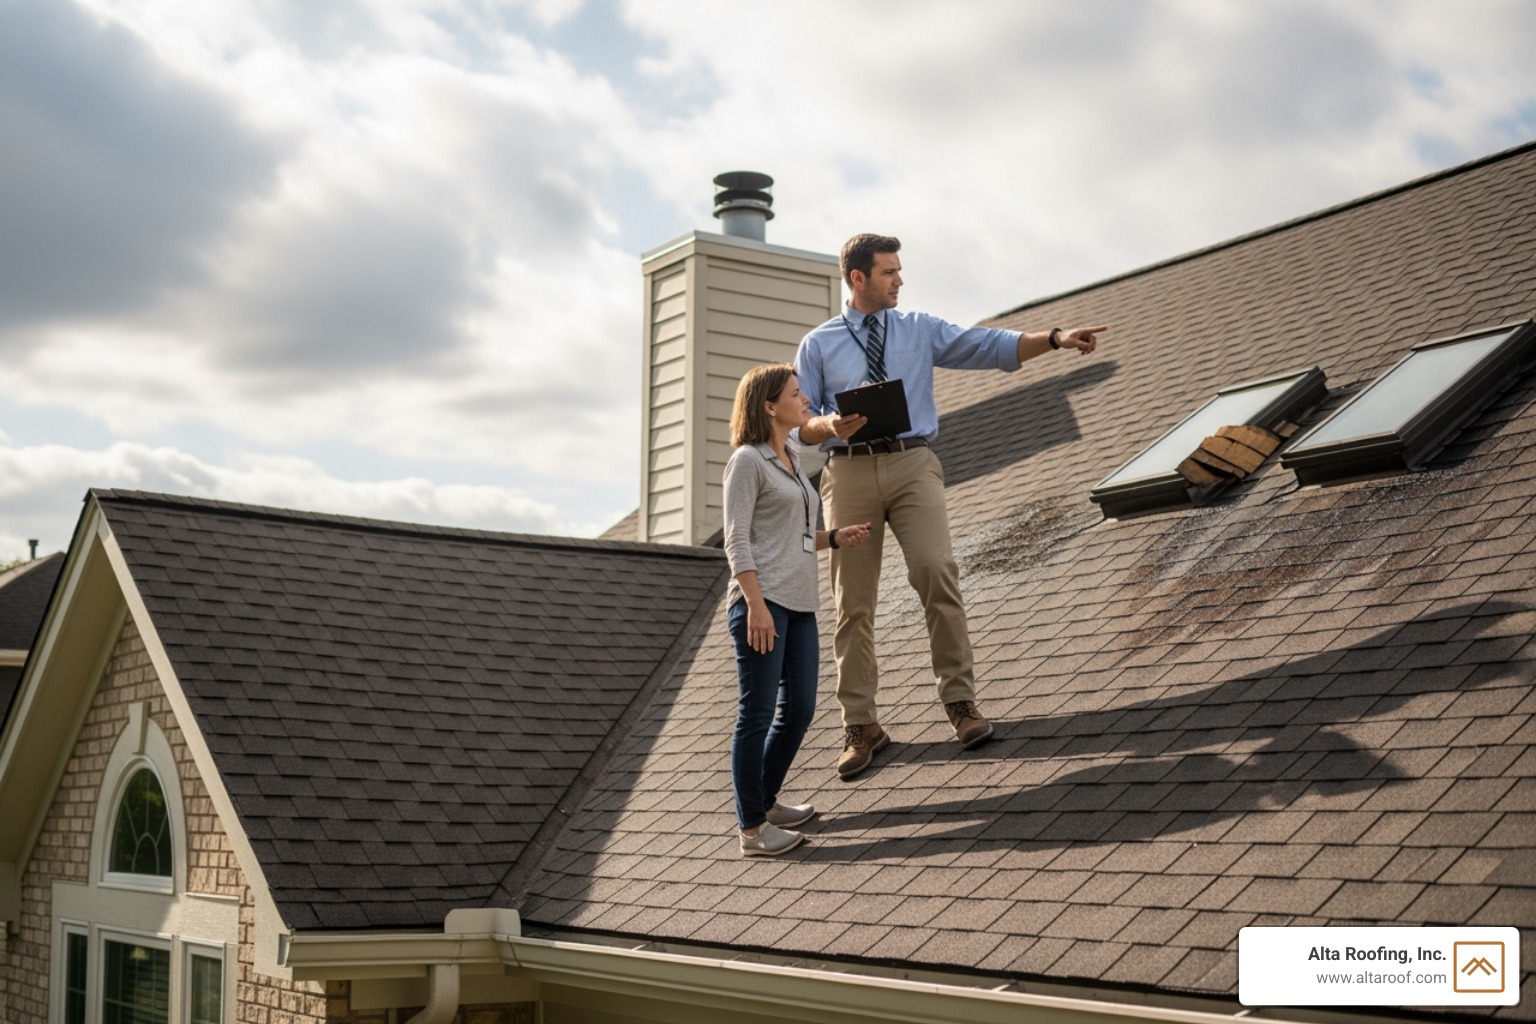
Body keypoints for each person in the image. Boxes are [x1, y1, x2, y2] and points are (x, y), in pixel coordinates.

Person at [794, 233, 1107, 779]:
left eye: (899, 270)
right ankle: (861, 725)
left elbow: (986, 345)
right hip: (848, 472)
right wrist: (828, 425)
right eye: (889, 272)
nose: (900, 280)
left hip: (913, 463)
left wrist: (1055, 339)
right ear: (857, 278)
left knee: (937, 570)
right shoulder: (818, 344)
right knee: (853, 602)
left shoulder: (918, 328)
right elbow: (799, 422)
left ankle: (961, 704)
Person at [723, 363, 871, 856]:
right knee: (757, 714)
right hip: (763, 604)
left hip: (800, 603)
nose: (805, 399)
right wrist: (755, 605)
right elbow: (736, 541)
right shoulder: (747, 461)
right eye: (795, 393)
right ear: (769, 407)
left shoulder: (790, 455)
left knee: (801, 709)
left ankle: (764, 803)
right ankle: (752, 830)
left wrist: (835, 537)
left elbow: (795, 534)